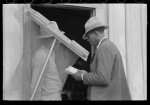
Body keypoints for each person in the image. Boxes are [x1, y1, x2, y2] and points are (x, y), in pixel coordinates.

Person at [73, 16, 132, 100]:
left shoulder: (104, 47)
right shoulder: (108, 45)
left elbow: (102, 78)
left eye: (88, 36)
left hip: (106, 96)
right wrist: (86, 73)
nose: (87, 40)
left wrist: (82, 76)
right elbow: (104, 74)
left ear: (96, 33)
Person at [31, 21, 64, 100]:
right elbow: (36, 84)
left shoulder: (51, 53)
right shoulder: (41, 55)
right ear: (49, 40)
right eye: (56, 38)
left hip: (54, 96)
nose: (59, 42)